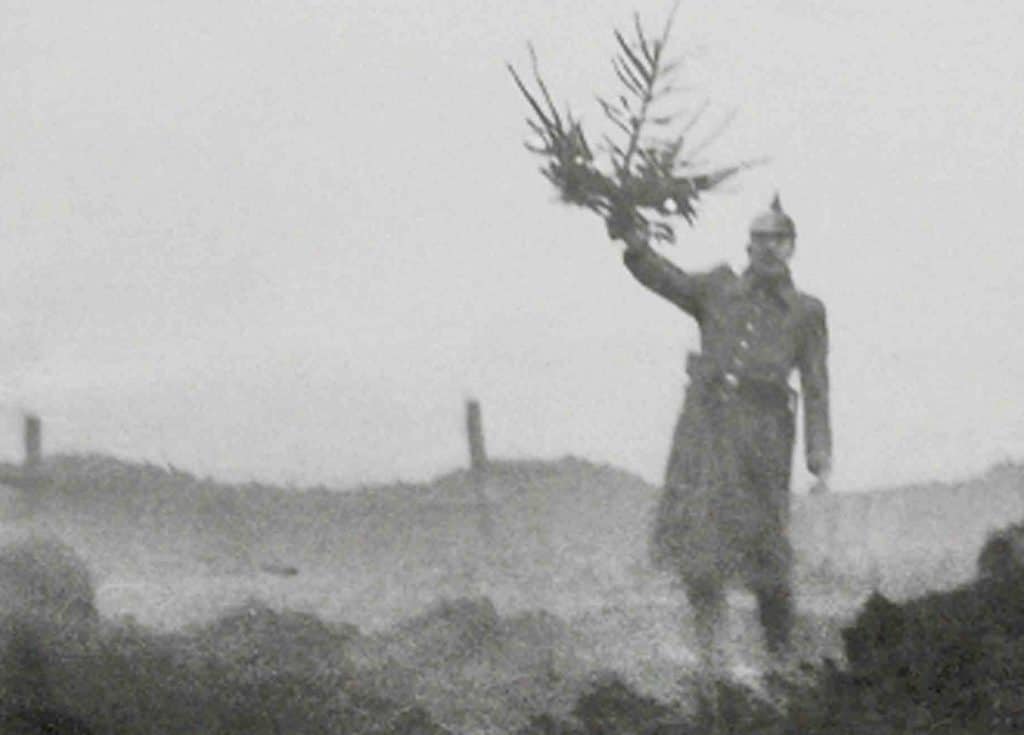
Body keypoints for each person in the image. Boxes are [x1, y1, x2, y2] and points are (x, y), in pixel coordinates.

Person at [612, 195, 832, 671]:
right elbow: (665, 279)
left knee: (767, 547)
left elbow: (816, 383)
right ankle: (710, 658)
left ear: (792, 248)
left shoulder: (807, 311)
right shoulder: (717, 288)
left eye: (779, 240)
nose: (769, 248)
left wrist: (819, 455)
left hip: (764, 438)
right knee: (701, 542)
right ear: (748, 245)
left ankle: (780, 660)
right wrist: (637, 245)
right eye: (760, 239)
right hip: (708, 430)